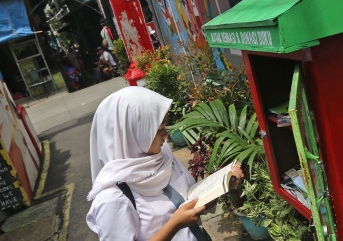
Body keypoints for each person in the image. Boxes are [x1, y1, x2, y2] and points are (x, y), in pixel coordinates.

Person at [86, 87, 244, 240]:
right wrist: (174, 225)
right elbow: (178, 217)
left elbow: (188, 201)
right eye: (159, 129)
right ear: (133, 134)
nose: (166, 135)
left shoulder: (162, 156)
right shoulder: (112, 198)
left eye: (165, 126)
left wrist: (221, 186)